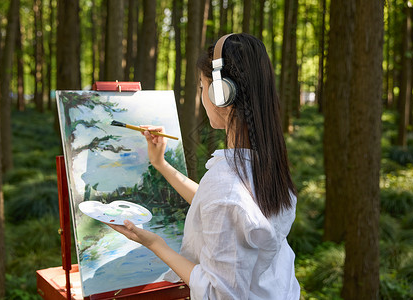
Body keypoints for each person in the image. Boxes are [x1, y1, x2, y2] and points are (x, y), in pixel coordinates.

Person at [107, 33, 300, 299]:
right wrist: (161, 164)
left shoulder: (227, 186)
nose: (201, 96)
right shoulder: (265, 162)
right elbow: (220, 207)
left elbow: (218, 293)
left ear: (220, 94)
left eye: (201, 86)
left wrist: (156, 244)